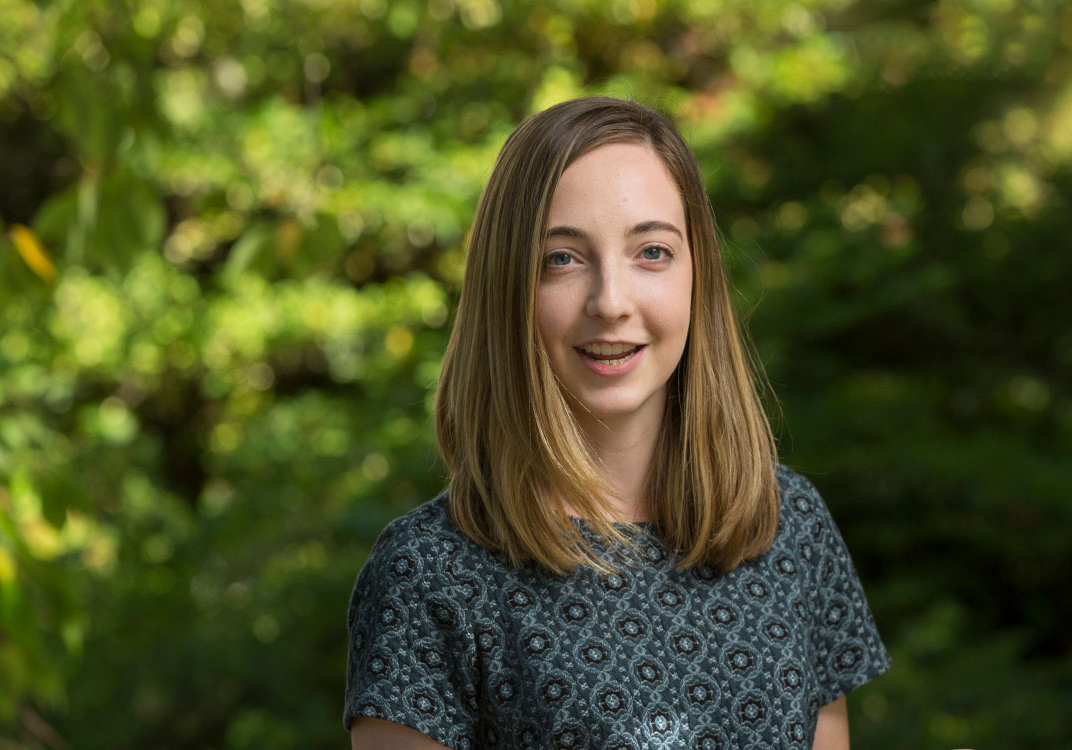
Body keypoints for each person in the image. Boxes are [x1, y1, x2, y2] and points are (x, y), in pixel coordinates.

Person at [344, 97, 889, 749]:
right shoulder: (428, 572)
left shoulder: (791, 525)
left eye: (651, 252)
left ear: (697, 277)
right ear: (504, 287)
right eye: (561, 260)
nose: (610, 302)